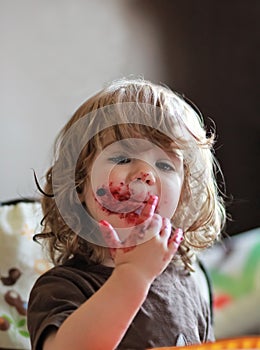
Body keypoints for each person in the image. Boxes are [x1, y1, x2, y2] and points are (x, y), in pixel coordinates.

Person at [28, 77, 226, 350]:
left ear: (183, 196)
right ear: (78, 185)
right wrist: (132, 276)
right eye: (122, 158)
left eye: (165, 165)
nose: (145, 174)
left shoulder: (188, 283)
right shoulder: (62, 287)